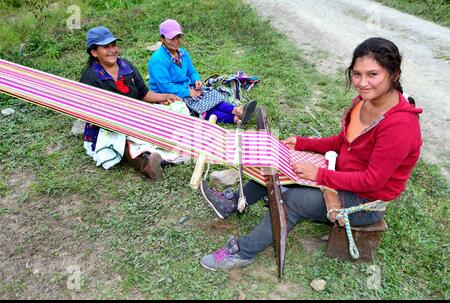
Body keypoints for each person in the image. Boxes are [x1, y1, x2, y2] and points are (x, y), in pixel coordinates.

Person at [199, 37, 423, 270]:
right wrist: (303, 143)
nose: (362, 83)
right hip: (342, 174)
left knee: (292, 201)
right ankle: (232, 202)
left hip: (365, 201)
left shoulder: (400, 126)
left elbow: (372, 181)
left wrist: (319, 175)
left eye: (372, 74)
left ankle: (243, 252)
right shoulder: (364, 102)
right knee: (277, 160)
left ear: (394, 74)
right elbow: (343, 142)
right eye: (357, 74)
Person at [80, 26, 182, 180]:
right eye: (105, 47)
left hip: (135, 116)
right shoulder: (90, 77)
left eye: (113, 45)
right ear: (94, 52)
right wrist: (120, 120)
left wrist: (165, 96)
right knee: (124, 139)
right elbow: (89, 112)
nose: (112, 50)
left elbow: (143, 93)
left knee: (176, 108)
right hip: (108, 125)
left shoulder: (126, 67)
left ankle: (163, 146)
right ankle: (147, 164)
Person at [148, 19, 257, 125]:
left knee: (206, 94)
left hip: (186, 88)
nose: (176, 41)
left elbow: (191, 72)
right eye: (171, 38)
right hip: (167, 95)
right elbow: (165, 87)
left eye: (178, 37)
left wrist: (197, 81)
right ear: (162, 38)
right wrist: (189, 93)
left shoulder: (183, 54)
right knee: (197, 106)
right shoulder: (158, 60)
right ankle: (235, 119)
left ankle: (237, 110)